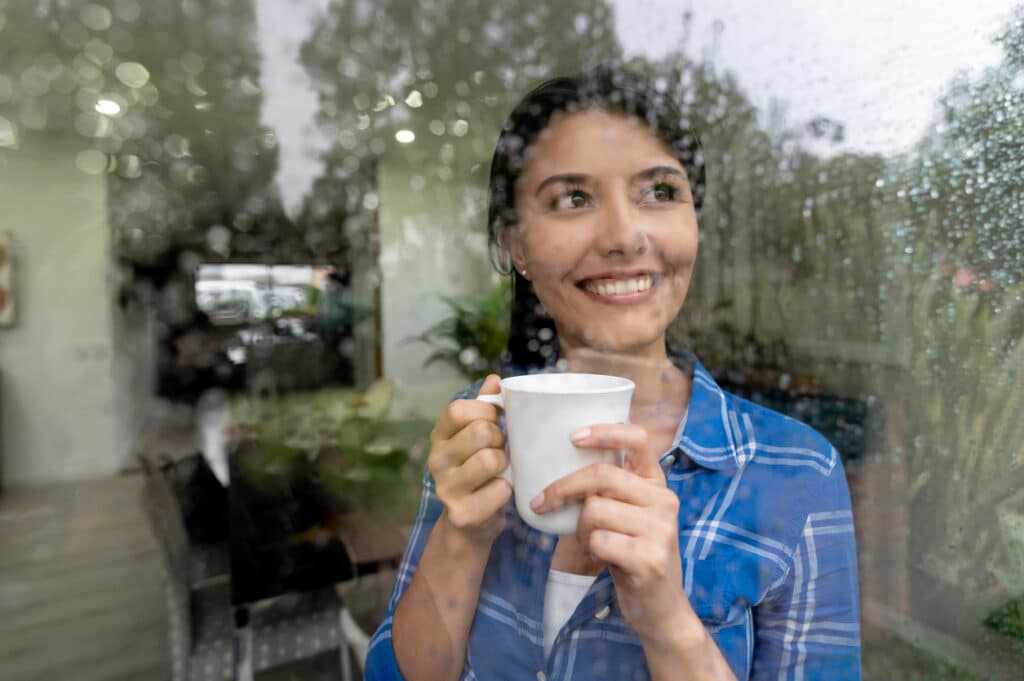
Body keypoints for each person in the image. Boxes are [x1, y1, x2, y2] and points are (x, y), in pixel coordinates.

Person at [366, 64, 860, 681]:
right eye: (573, 199)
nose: (625, 236)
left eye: (660, 192)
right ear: (517, 245)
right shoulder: (481, 428)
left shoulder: (797, 473)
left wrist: (664, 616)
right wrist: (462, 536)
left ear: (694, 223)